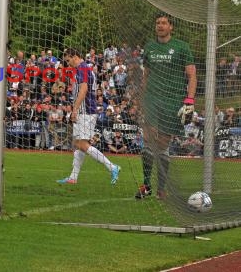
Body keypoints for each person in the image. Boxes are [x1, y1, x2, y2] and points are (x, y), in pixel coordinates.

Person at [135, 13, 197, 199]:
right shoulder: (150, 47)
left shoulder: (181, 47)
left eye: (164, 23)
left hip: (173, 100)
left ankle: (161, 188)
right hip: (152, 99)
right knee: (147, 139)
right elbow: (146, 74)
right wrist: (141, 97)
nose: (160, 25)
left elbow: (192, 75)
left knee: (162, 144)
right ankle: (146, 185)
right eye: (157, 23)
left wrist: (190, 100)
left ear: (171, 27)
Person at [57, 48, 121, 185]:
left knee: (82, 144)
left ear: (74, 56)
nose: (68, 64)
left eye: (68, 60)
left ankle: (113, 167)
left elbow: (84, 89)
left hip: (85, 111)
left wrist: (74, 110)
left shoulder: (83, 68)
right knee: (79, 144)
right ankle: (73, 177)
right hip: (85, 111)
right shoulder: (85, 68)